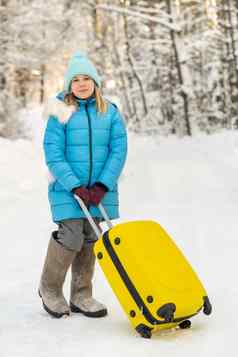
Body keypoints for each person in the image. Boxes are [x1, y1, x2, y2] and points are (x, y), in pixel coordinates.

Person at [39, 51, 128, 318]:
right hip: (68, 189)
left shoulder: (109, 112)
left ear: (95, 82)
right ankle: (50, 289)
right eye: (75, 79)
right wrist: (74, 185)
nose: (81, 84)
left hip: (98, 191)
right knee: (71, 236)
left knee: (91, 238)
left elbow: (118, 149)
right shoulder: (61, 111)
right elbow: (53, 151)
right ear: (69, 85)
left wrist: (103, 184)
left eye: (86, 78)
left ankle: (81, 294)